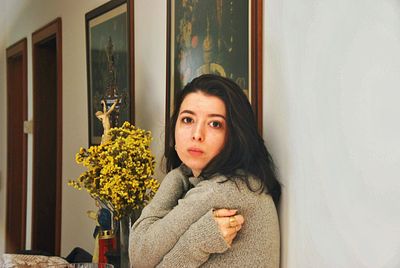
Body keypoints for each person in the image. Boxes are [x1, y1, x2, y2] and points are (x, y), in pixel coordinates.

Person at [129, 74, 281, 267]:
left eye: (215, 124)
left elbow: (140, 255)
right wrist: (180, 173)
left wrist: (194, 244)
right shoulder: (231, 181)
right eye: (187, 119)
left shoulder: (223, 190)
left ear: (235, 135)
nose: (197, 134)